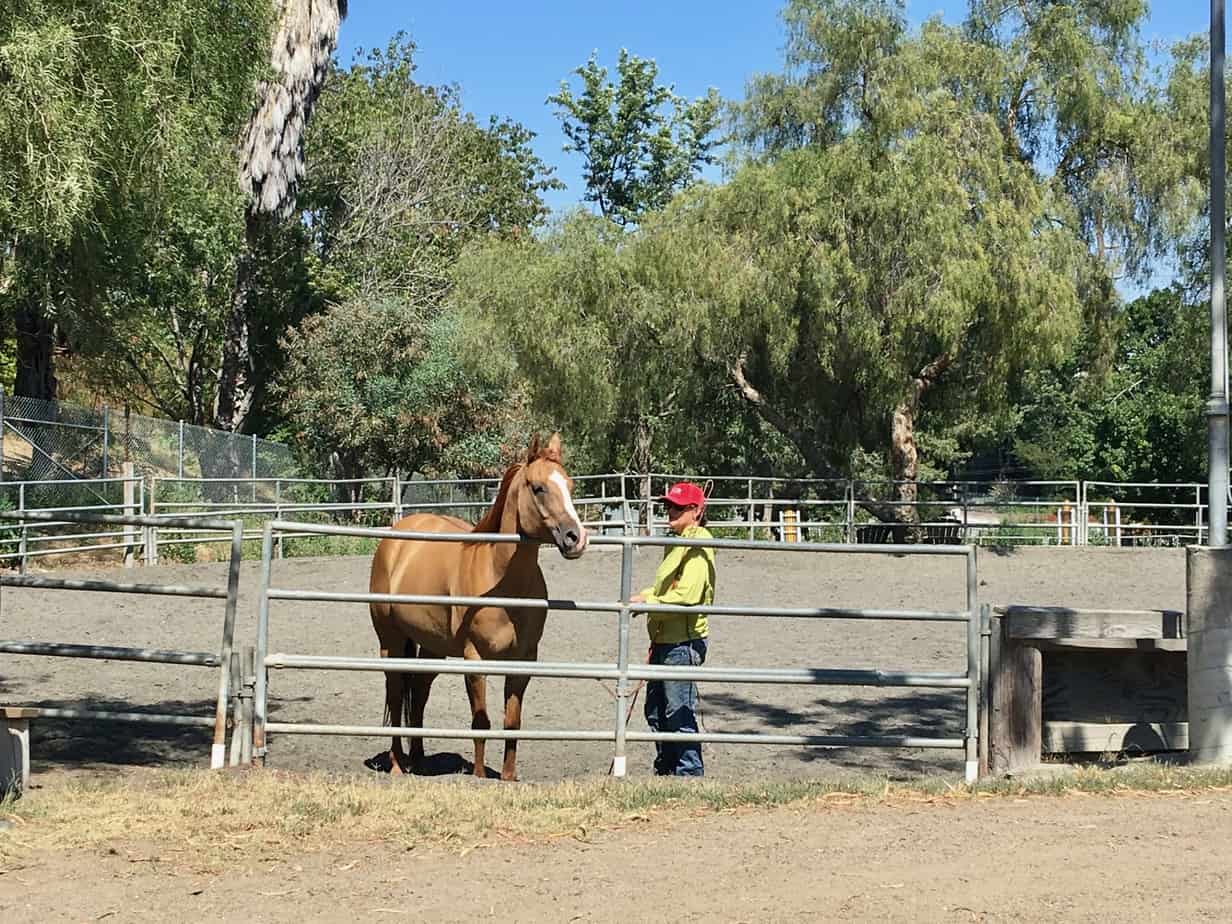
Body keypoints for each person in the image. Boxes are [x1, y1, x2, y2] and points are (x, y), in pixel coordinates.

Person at [629, 481, 715, 776]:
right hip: (666, 637)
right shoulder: (677, 541)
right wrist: (645, 594)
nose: (670, 511)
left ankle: (689, 773)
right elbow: (668, 586)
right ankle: (667, 769)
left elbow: (688, 594)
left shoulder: (698, 542)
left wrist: (648, 601)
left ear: (696, 511)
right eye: (668, 505)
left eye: (678, 507)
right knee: (656, 710)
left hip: (683, 641)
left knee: (677, 711)